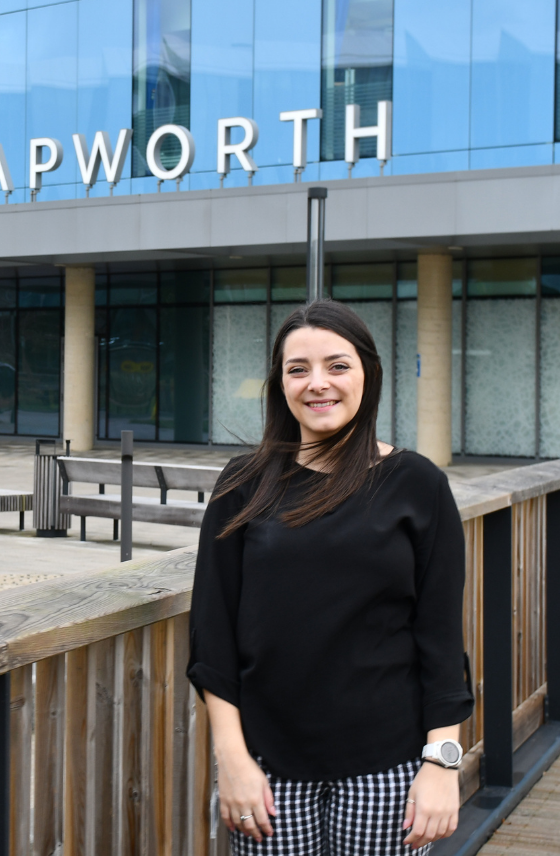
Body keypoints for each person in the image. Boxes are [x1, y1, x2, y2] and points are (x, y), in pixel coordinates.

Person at [188, 300, 473, 854]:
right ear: (280, 383)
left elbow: (440, 638)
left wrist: (443, 763)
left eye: (337, 365)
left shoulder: (416, 483)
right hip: (267, 767)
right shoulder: (243, 484)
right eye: (299, 369)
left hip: (388, 768)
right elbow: (211, 632)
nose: (318, 384)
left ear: (368, 373)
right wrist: (232, 759)